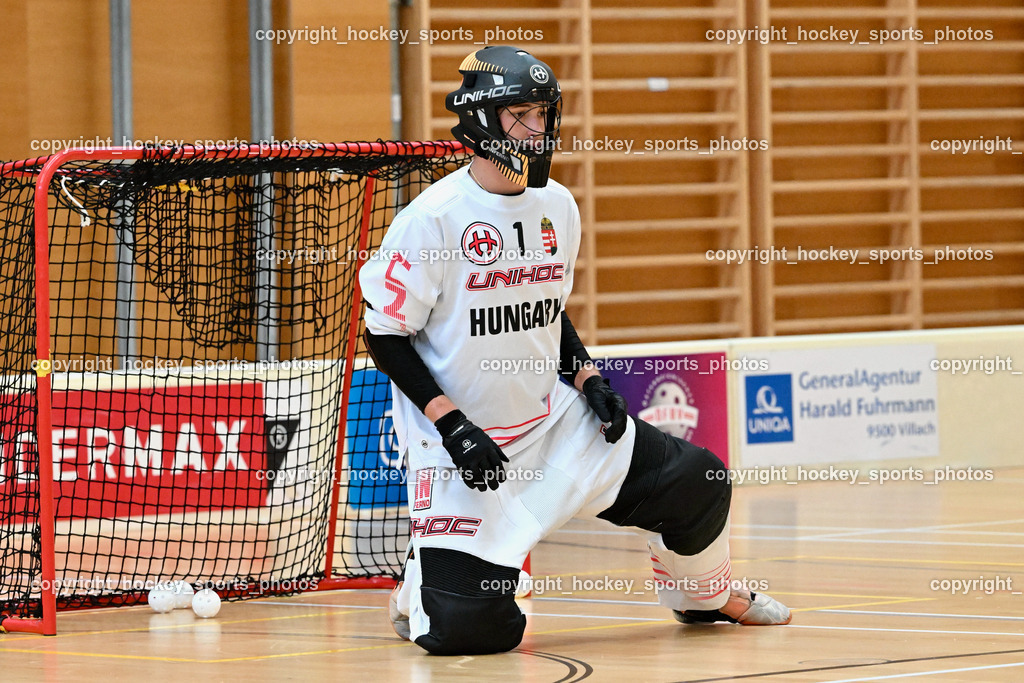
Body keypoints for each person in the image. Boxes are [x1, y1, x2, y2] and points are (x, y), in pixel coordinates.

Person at [358, 45, 791, 656]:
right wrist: (452, 426)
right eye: (520, 115)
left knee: (701, 479)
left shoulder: (558, 206)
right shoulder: (432, 221)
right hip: (462, 452)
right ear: (482, 120)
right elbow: (384, 333)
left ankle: (705, 594)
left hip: (556, 429)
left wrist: (588, 380)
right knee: (474, 634)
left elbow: (547, 311)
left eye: (543, 113)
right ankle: (422, 581)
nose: (537, 130)